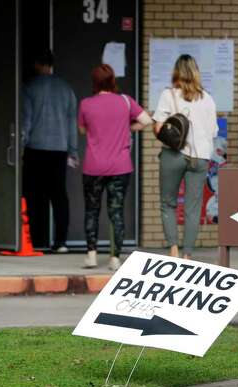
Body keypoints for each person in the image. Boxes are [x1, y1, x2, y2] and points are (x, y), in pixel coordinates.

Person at [77, 64, 153, 270]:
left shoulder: (86, 104)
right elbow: (146, 120)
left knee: (92, 210)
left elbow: (82, 130)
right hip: (120, 167)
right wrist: (128, 128)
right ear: (112, 80)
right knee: (116, 211)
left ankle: (91, 256)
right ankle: (115, 259)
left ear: (94, 82)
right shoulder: (126, 101)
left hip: (93, 167)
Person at [152, 54, 218, 260]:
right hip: (200, 158)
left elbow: (158, 128)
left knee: (168, 203)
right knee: (193, 208)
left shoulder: (168, 95)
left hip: (173, 155)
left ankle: (173, 249)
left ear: (176, 72)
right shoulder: (207, 98)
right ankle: (187, 255)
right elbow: (213, 131)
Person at [21, 49, 78, 253]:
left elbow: (25, 122)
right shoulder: (66, 89)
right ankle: (61, 242)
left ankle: (36, 241)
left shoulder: (28, 87)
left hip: (35, 149)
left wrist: (20, 146)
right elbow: (72, 124)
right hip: (59, 150)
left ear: (37, 64)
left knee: (34, 196)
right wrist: (73, 151)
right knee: (59, 196)